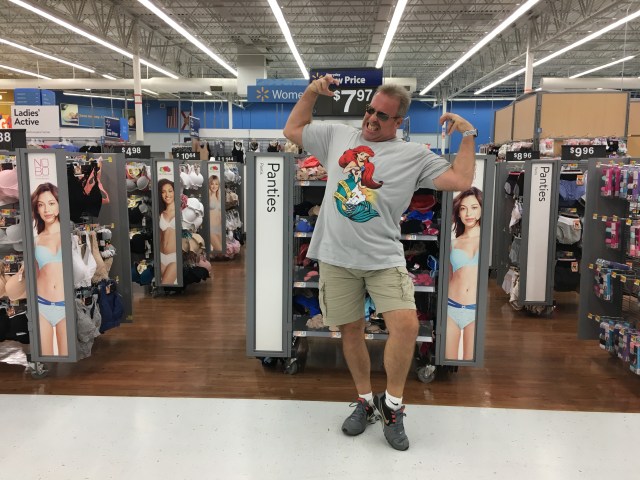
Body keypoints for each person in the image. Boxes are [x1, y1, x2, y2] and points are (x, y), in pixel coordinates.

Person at [283, 75, 477, 451]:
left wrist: (467, 135)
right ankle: (364, 400)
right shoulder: (338, 135)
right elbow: (292, 129)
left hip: (383, 258)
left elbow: (460, 178)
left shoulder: (413, 155)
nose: (372, 119)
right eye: (370, 110)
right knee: (350, 331)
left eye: (382, 115)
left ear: (398, 122)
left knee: (405, 326)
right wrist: (310, 93)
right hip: (336, 257)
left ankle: (392, 406)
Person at [447, 187, 482, 361]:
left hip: (476, 310)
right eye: (463, 208)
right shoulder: (453, 243)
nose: (468, 213)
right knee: (447, 361)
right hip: (450, 308)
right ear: (458, 213)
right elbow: (448, 277)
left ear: (481, 208)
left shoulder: (487, 240)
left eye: (474, 207)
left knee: (470, 363)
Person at [32, 182, 66, 356]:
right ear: (37, 209)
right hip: (41, 305)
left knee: (68, 358)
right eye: (41, 205)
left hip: (65, 305)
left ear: (59, 204)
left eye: (51, 203)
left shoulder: (70, 234)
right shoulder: (36, 240)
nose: (47, 210)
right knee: (46, 360)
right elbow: (35, 273)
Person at [158, 179, 177, 284]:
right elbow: (160, 237)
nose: (167, 195)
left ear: (175, 192)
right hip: (161, 256)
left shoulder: (180, 212)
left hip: (175, 257)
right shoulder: (160, 214)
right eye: (163, 192)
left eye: (170, 191)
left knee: (165, 283)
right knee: (164, 288)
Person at [209, 175, 222, 252]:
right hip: (211, 227)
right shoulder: (208, 196)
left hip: (219, 226)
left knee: (219, 250)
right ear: (209, 184)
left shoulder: (218, 196)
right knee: (219, 248)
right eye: (212, 184)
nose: (214, 186)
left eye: (216, 184)